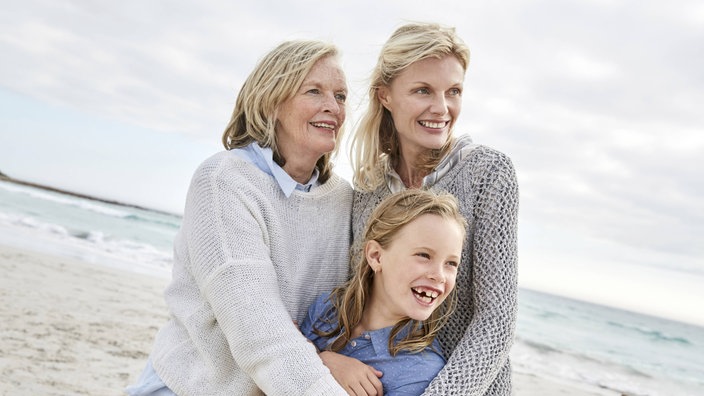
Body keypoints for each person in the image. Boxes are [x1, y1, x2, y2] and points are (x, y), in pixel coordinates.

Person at [125, 40, 355, 395]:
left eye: (340, 96)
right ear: (272, 100)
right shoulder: (224, 180)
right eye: (314, 91)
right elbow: (258, 329)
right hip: (194, 386)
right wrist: (320, 363)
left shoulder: (343, 199)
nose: (333, 107)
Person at [349, 22, 520, 395]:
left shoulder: (488, 173)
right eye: (423, 90)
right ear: (385, 95)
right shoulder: (367, 188)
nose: (442, 109)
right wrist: (330, 360)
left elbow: (497, 321)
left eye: (453, 91)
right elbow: (354, 300)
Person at [300, 189, 468, 396]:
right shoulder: (326, 309)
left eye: (451, 263)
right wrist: (323, 361)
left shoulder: (419, 373)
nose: (440, 275)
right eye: (424, 255)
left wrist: (312, 359)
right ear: (376, 256)